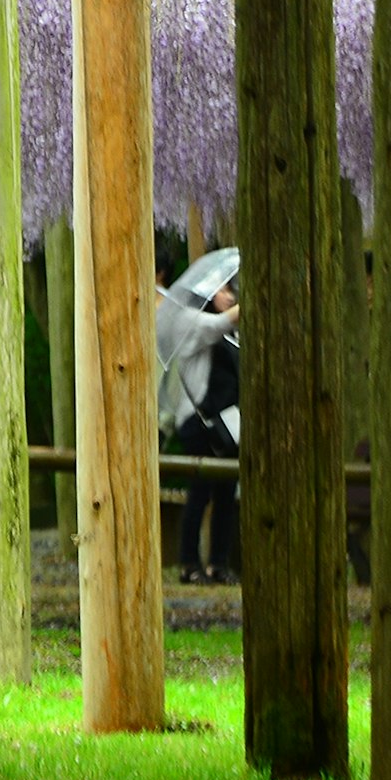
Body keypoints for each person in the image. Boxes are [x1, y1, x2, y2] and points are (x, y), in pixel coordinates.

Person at [156, 247, 242, 583]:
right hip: (199, 423)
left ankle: (217, 564)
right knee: (200, 491)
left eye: (228, 288)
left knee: (225, 494)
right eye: (219, 290)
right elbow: (219, 323)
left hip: (225, 423)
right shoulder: (189, 321)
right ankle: (189, 563)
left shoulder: (225, 332)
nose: (227, 294)